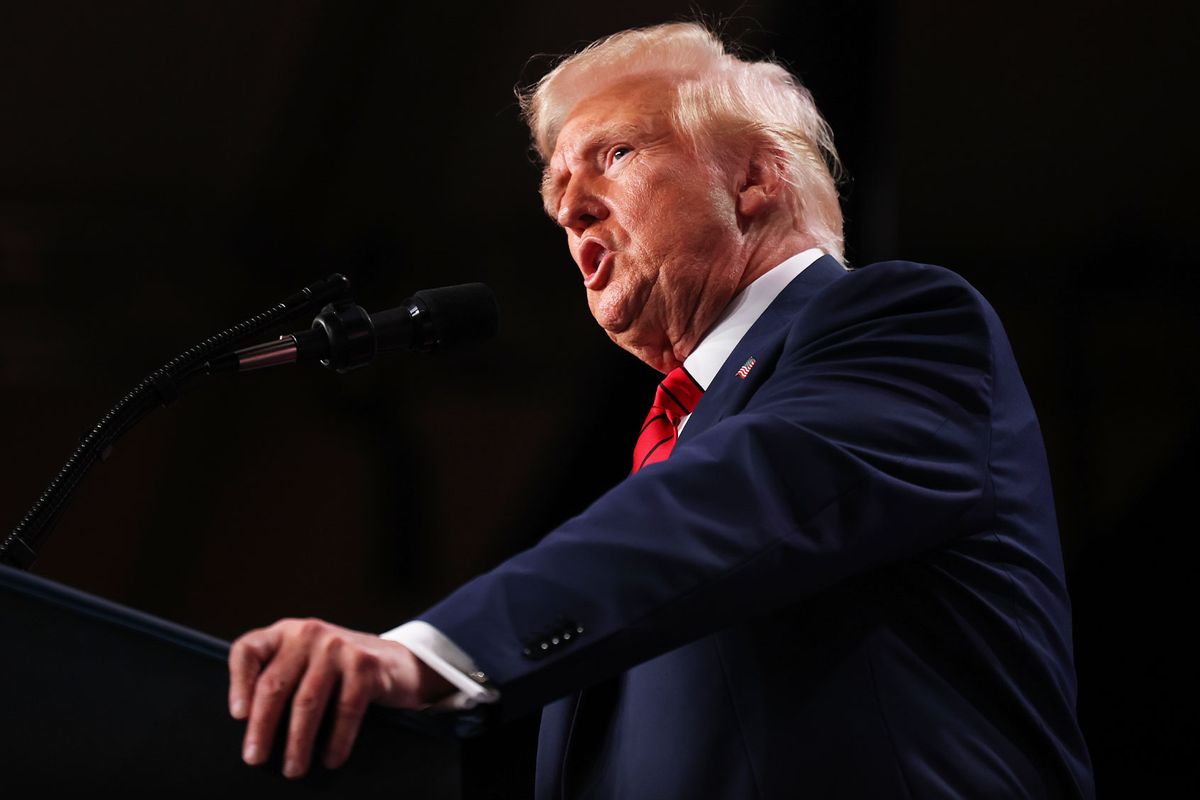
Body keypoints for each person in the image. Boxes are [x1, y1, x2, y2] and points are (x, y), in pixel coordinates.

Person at [228, 22, 1095, 798]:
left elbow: (739, 499)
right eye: (557, 197)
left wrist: (428, 651)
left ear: (755, 178)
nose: (569, 210)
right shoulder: (673, 448)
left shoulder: (905, 325)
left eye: (613, 155)